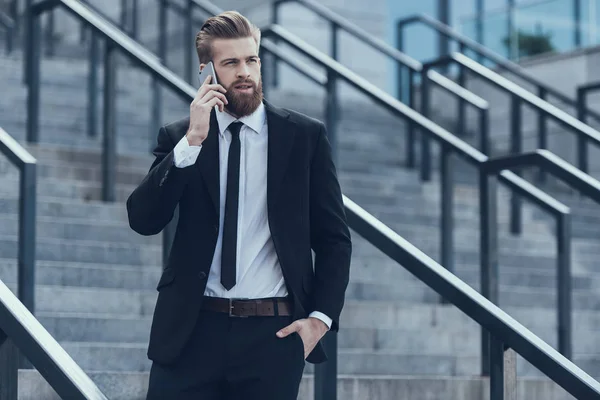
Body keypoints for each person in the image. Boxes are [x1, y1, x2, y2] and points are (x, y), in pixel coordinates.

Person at [126, 10, 352, 400]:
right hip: (191, 332)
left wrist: (319, 320)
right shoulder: (181, 137)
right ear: (206, 72)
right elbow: (144, 219)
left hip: (273, 338)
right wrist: (192, 143)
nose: (245, 71)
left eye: (252, 60)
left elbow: (334, 239)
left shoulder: (304, 137)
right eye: (231, 63)